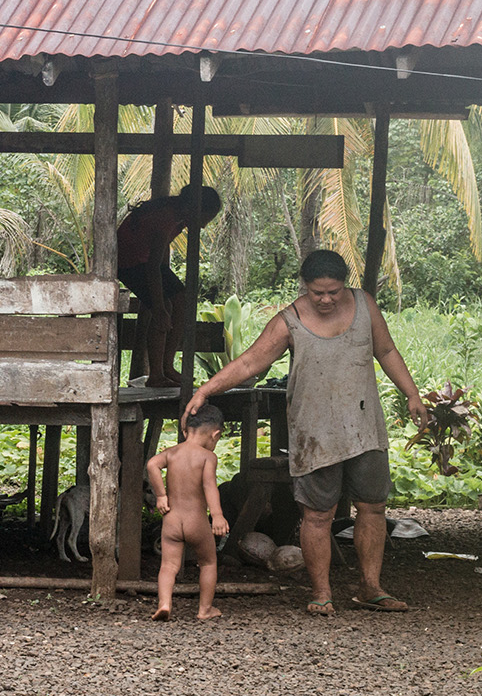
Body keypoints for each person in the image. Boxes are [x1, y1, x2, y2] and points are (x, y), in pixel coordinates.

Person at [182, 249, 428, 617]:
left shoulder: (365, 306)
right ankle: (321, 592)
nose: (327, 299)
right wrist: (206, 390)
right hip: (313, 431)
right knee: (317, 514)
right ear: (305, 287)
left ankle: (370, 587)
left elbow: (387, 349)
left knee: (373, 507)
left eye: (334, 291)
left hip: (364, 427)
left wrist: (412, 394)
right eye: (318, 293)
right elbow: (252, 361)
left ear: (345, 284)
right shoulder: (290, 320)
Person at [117, 184, 223, 387]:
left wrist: (168, 286)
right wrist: (158, 308)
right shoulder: (165, 217)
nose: (203, 227)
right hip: (128, 263)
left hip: (144, 260)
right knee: (165, 307)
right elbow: (152, 268)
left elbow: (161, 257)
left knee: (182, 299)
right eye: (204, 219)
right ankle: (156, 374)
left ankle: (167, 366)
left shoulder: (177, 215)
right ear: (195, 209)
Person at [146, 403, 230, 621]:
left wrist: (161, 496)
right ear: (216, 434)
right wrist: (218, 515)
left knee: (168, 565)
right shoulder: (207, 457)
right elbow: (209, 486)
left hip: (172, 519)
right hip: (196, 521)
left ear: (185, 431)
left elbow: (152, 465)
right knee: (208, 563)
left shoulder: (172, 453)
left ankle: (164, 604)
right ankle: (205, 609)